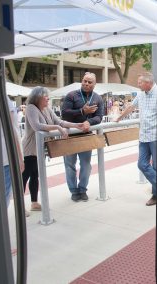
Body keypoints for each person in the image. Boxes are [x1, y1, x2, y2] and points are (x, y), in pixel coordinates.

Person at [22, 87, 85, 209]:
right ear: (38, 98)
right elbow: (37, 126)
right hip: (30, 149)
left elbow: (60, 122)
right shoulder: (31, 108)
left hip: (39, 148)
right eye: (45, 96)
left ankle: (34, 203)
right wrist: (57, 128)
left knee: (35, 175)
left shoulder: (47, 109)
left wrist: (77, 125)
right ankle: (20, 206)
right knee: (25, 176)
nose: (48, 98)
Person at [115, 72, 157, 206]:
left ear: (148, 83)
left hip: (156, 136)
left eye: (140, 82)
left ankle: (156, 195)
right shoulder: (140, 94)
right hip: (144, 135)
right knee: (142, 164)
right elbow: (131, 107)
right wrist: (119, 118)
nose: (138, 84)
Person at [61, 72, 104, 202]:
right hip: (70, 136)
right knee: (69, 165)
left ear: (94, 85)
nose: (86, 83)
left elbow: (99, 117)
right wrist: (82, 111)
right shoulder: (71, 95)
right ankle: (74, 191)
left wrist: (88, 122)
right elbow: (64, 114)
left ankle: (82, 189)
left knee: (86, 165)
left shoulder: (98, 98)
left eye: (89, 82)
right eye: (84, 81)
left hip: (86, 136)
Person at [1, 97, 25, 210]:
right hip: (6, 157)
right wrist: (20, 158)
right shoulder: (3, 98)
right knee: (4, 197)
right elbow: (11, 132)